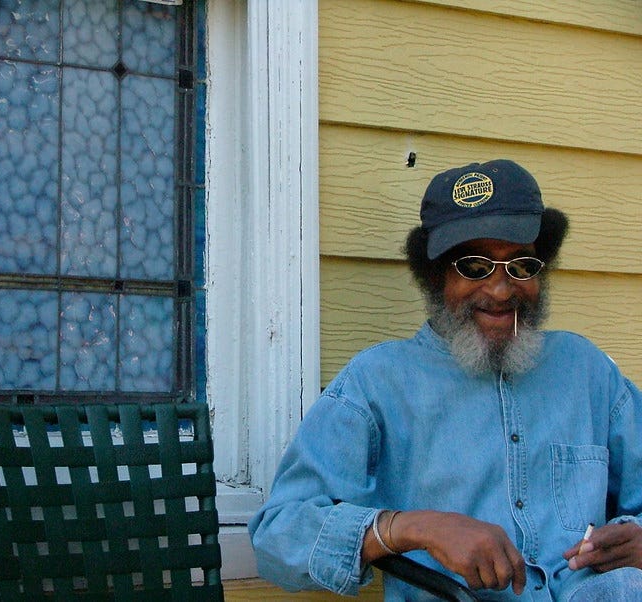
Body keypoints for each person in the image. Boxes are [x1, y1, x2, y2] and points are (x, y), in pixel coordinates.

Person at [248, 159, 642, 601]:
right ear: (434, 274)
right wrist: (413, 527)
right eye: (474, 268)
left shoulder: (587, 370)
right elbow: (278, 536)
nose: (500, 289)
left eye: (521, 265)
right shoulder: (377, 383)